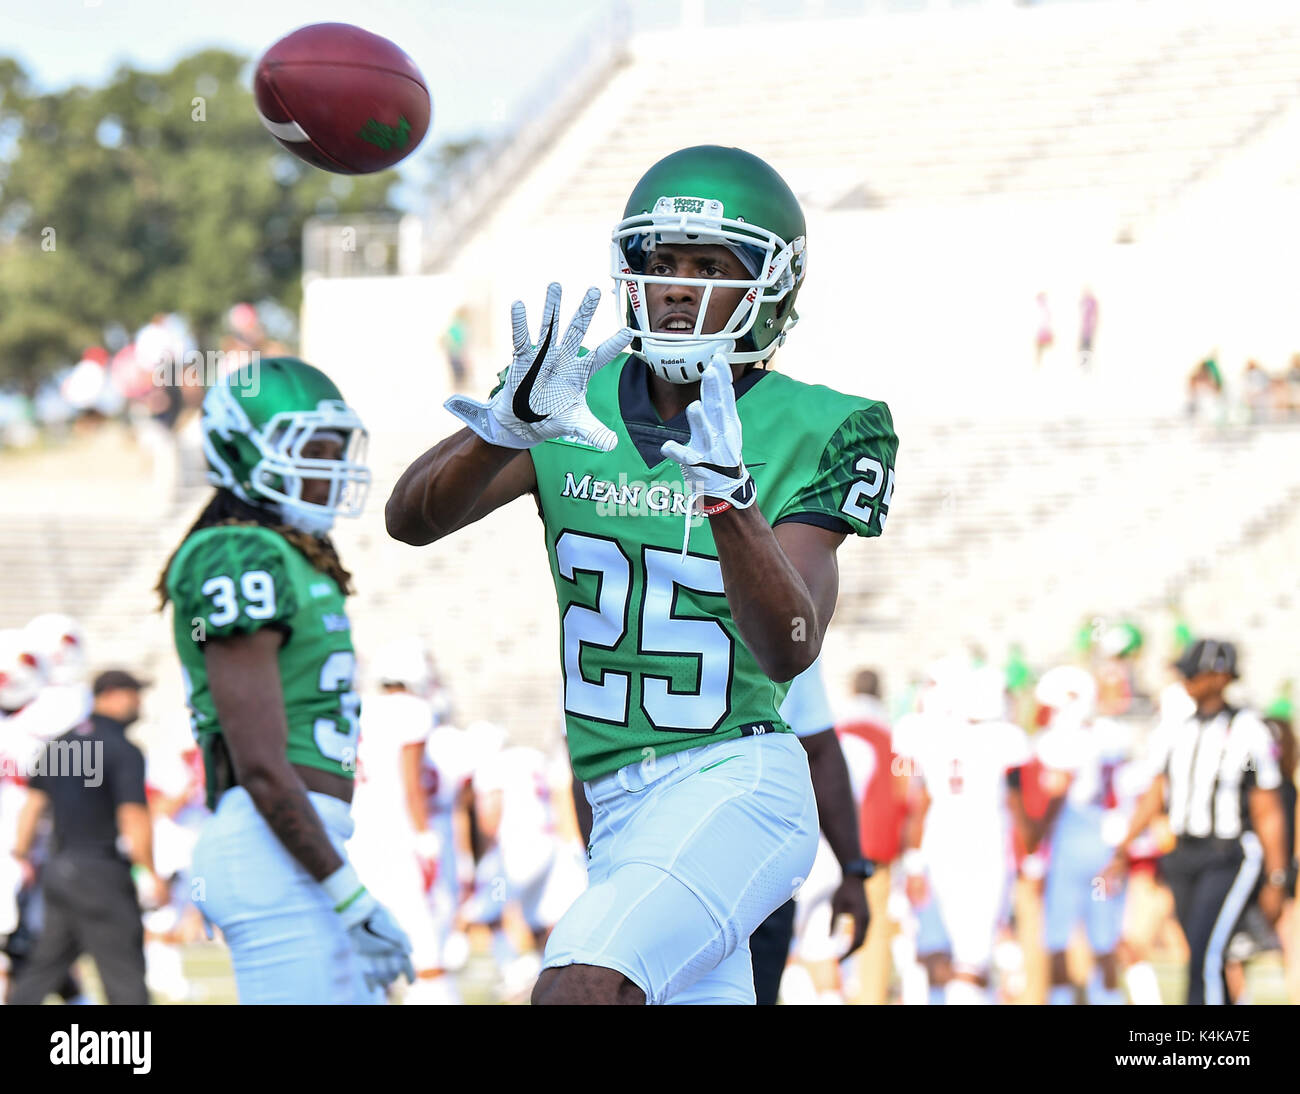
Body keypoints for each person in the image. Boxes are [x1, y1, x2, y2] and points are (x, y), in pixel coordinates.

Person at [387, 145, 898, 1005]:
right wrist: (504, 427)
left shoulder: (826, 424)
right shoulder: (574, 401)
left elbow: (792, 647)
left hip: (735, 783)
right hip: (613, 809)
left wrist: (730, 501)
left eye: (708, 264)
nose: (676, 286)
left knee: (578, 987)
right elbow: (410, 521)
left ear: (772, 286)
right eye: (661, 262)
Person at [157, 357, 414, 1004]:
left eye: (335, 449)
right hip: (272, 841)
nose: (329, 470)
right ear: (239, 448)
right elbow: (262, 765)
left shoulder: (288, 551)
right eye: (310, 451)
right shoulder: (237, 553)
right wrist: (347, 895)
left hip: (301, 841)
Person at [1109, 638, 1290, 1005]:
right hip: (1183, 853)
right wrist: (1124, 846)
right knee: (1201, 950)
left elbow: (1265, 805)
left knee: (1207, 953)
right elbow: (1159, 790)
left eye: (1197, 671)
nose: (1188, 679)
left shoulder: (1248, 731)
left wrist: (1276, 876)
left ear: (1219, 677)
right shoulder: (1177, 728)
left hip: (1228, 854)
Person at [8, 671, 161, 1004]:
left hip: (59, 869)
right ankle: (131, 1051)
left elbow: (33, 807)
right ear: (112, 694)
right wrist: (150, 872)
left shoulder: (59, 745)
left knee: (45, 967)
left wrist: (22, 856)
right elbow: (132, 815)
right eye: (134, 693)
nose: (139, 702)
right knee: (124, 970)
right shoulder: (121, 748)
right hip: (100, 870)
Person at [741, 655, 874, 1006]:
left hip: (757, 875)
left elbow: (820, 750)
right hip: (750, 870)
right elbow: (820, 751)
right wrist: (853, 870)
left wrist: (854, 870)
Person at [347, 637, 460, 1005]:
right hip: (396, 836)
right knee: (426, 950)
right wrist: (425, 835)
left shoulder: (359, 707)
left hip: (357, 834)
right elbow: (411, 784)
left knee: (365, 950)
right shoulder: (412, 711)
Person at [1029, 665, 1130, 1004]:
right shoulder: (1109, 735)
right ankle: (1108, 1000)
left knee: (1058, 935)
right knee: (1103, 937)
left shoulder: (1058, 740)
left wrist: (1034, 847)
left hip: (1068, 848)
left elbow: (1056, 795)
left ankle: (1062, 999)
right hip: (1103, 846)